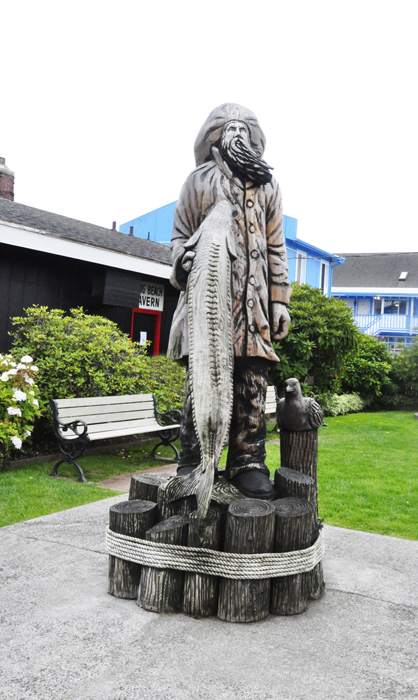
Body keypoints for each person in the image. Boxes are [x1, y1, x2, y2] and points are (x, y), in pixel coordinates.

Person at [168, 103, 291, 499]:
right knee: (200, 381)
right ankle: (193, 459)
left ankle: (248, 461)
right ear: (214, 135)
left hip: (252, 306)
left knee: (252, 382)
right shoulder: (197, 182)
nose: (236, 133)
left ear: (254, 138)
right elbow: (178, 236)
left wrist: (280, 301)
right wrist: (182, 258)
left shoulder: (268, 186)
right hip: (208, 304)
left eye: (243, 127)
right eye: (228, 127)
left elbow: (276, 247)